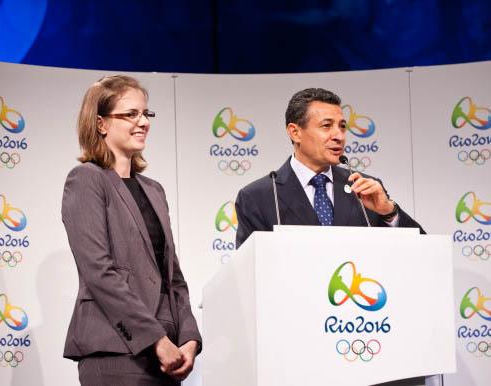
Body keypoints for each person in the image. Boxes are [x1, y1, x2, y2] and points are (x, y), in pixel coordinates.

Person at [61, 75, 201, 385]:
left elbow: (172, 276)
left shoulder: (154, 190)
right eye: (130, 114)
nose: (143, 122)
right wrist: (154, 339)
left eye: (145, 113)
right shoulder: (86, 179)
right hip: (116, 350)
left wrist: (189, 336)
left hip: (168, 354)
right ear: (101, 124)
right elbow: (99, 271)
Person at [235, 87, 424, 248]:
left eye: (342, 127)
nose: (339, 136)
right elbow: (247, 273)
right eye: (326, 126)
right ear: (295, 132)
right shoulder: (259, 197)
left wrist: (389, 213)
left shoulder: (365, 189)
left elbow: (421, 250)